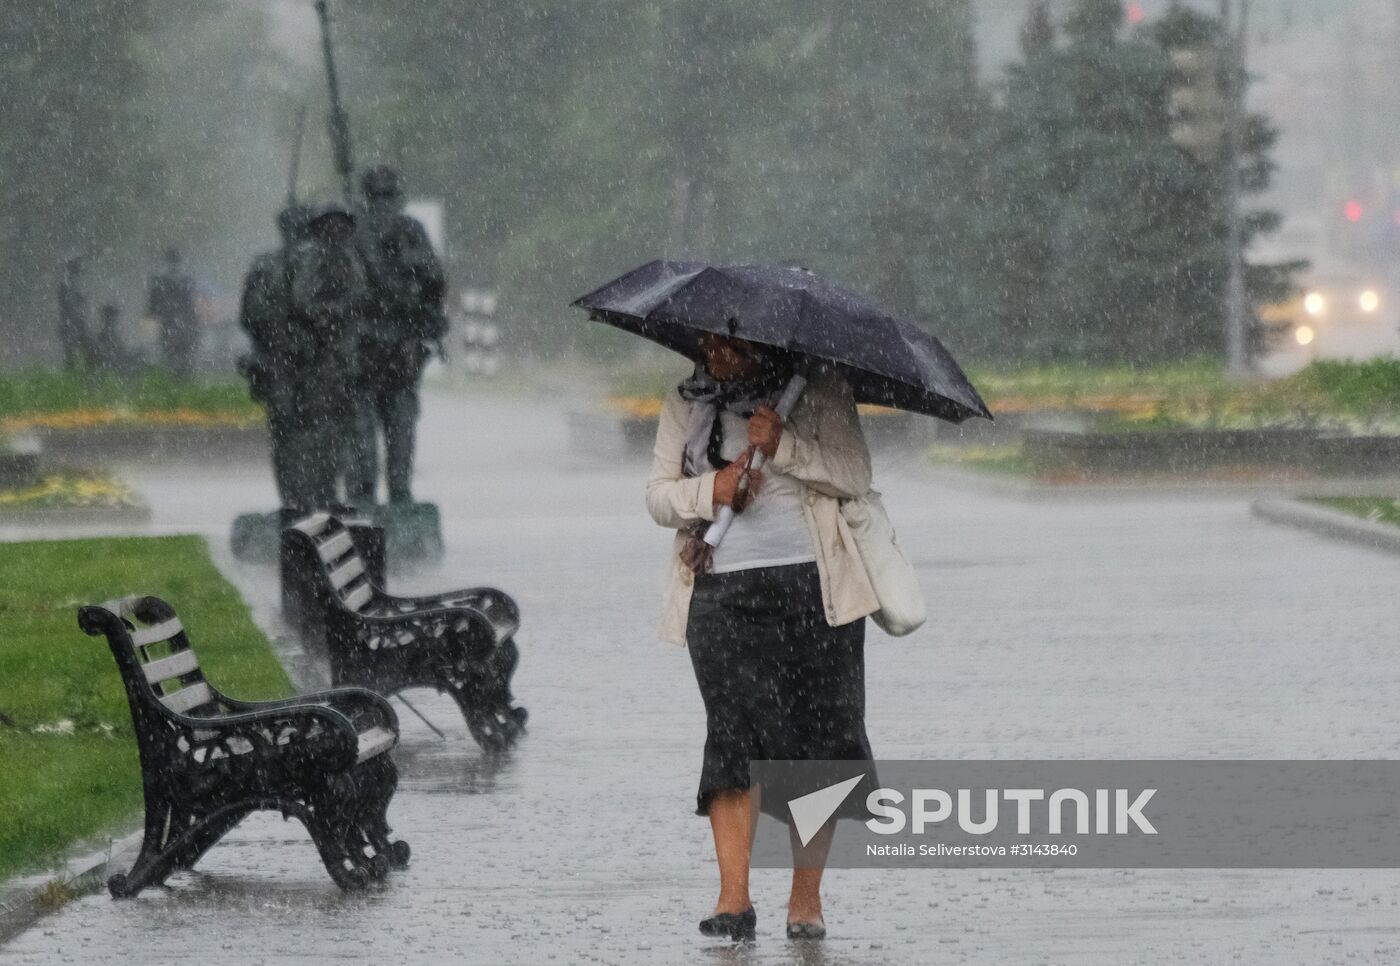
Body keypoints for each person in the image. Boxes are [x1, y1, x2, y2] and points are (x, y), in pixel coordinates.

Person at [645, 333, 880, 943]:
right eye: (707, 342)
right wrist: (712, 491)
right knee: (731, 738)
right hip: (721, 594)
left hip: (815, 590)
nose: (715, 354)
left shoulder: (819, 390)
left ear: (763, 342)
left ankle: (805, 903)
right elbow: (658, 496)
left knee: (819, 739)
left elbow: (854, 474)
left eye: (730, 344)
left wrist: (787, 445)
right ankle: (733, 900)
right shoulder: (688, 399)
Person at [348, 164, 447, 505]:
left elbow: (434, 283)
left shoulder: (357, 231)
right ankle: (391, 495)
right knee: (394, 428)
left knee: (374, 429)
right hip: (385, 348)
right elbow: (436, 283)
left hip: (378, 349)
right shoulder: (406, 230)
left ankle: (373, 496)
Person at [280, 202, 368, 510]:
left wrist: (341, 312)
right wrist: (323, 315)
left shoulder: (351, 260)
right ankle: (315, 494)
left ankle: (335, 494)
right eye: (329, 225)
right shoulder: (310, 259)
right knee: (316, 432)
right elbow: (301, 298)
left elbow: (360, 295)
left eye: (341, 225)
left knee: (343, 433)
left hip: (343, 359)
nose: (335, 231)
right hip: (315, 359)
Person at [238, 204, 313, 505]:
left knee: (292, 436)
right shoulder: (268, 266)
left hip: (299, 362)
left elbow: (249, 316)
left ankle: (297, 500)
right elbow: (250, 315)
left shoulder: (310, 264)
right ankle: (297, 500)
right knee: (293, 434)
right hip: (285, 362)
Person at [146, 247, 200, 377]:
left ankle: (175, 370)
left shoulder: (159, 279)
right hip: (182, 319)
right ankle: (183, 370)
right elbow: (190, 301)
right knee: (184, 346)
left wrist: (154, 313)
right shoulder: (186, 279)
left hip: (169, 318)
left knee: (170, 346)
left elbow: (154, 302)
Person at [57, 256, 92, 370]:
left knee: (77, 347)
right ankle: (74, 370)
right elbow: (67, 303)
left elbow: (69, 302)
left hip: (73, 321)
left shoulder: (72, 282)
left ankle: (79, 369)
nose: (79, 272)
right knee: (72, 348)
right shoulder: (67, 283)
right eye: (77, 269)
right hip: (71, 322)